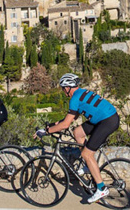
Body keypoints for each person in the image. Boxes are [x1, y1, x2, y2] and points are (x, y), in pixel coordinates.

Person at [35, 73, 120, 204]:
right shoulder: (80, 93)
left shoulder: (74, 98)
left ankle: (101, 188)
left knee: (86, 153)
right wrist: (51, 126)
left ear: (68, 87)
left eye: (63, 88)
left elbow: (65, 124)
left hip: (107, 121)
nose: (63, 92)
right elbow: (70, 118)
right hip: (105, 118)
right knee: (78, 132)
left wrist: (47, 132)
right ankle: (88, 165)